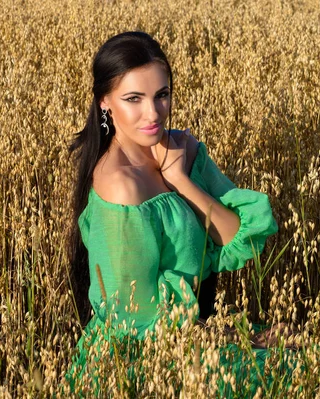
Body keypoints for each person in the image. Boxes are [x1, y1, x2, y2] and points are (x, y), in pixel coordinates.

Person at [66, 31, 294, 396]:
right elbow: (138, 323)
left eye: (161, 95)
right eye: (133, 99)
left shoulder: (181, 149)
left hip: (194, 334)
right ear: (105, 102)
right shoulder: (121, 188)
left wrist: (181, 180)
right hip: (144, 364)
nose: (153, 113)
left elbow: (237, 236)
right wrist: (240, 337)